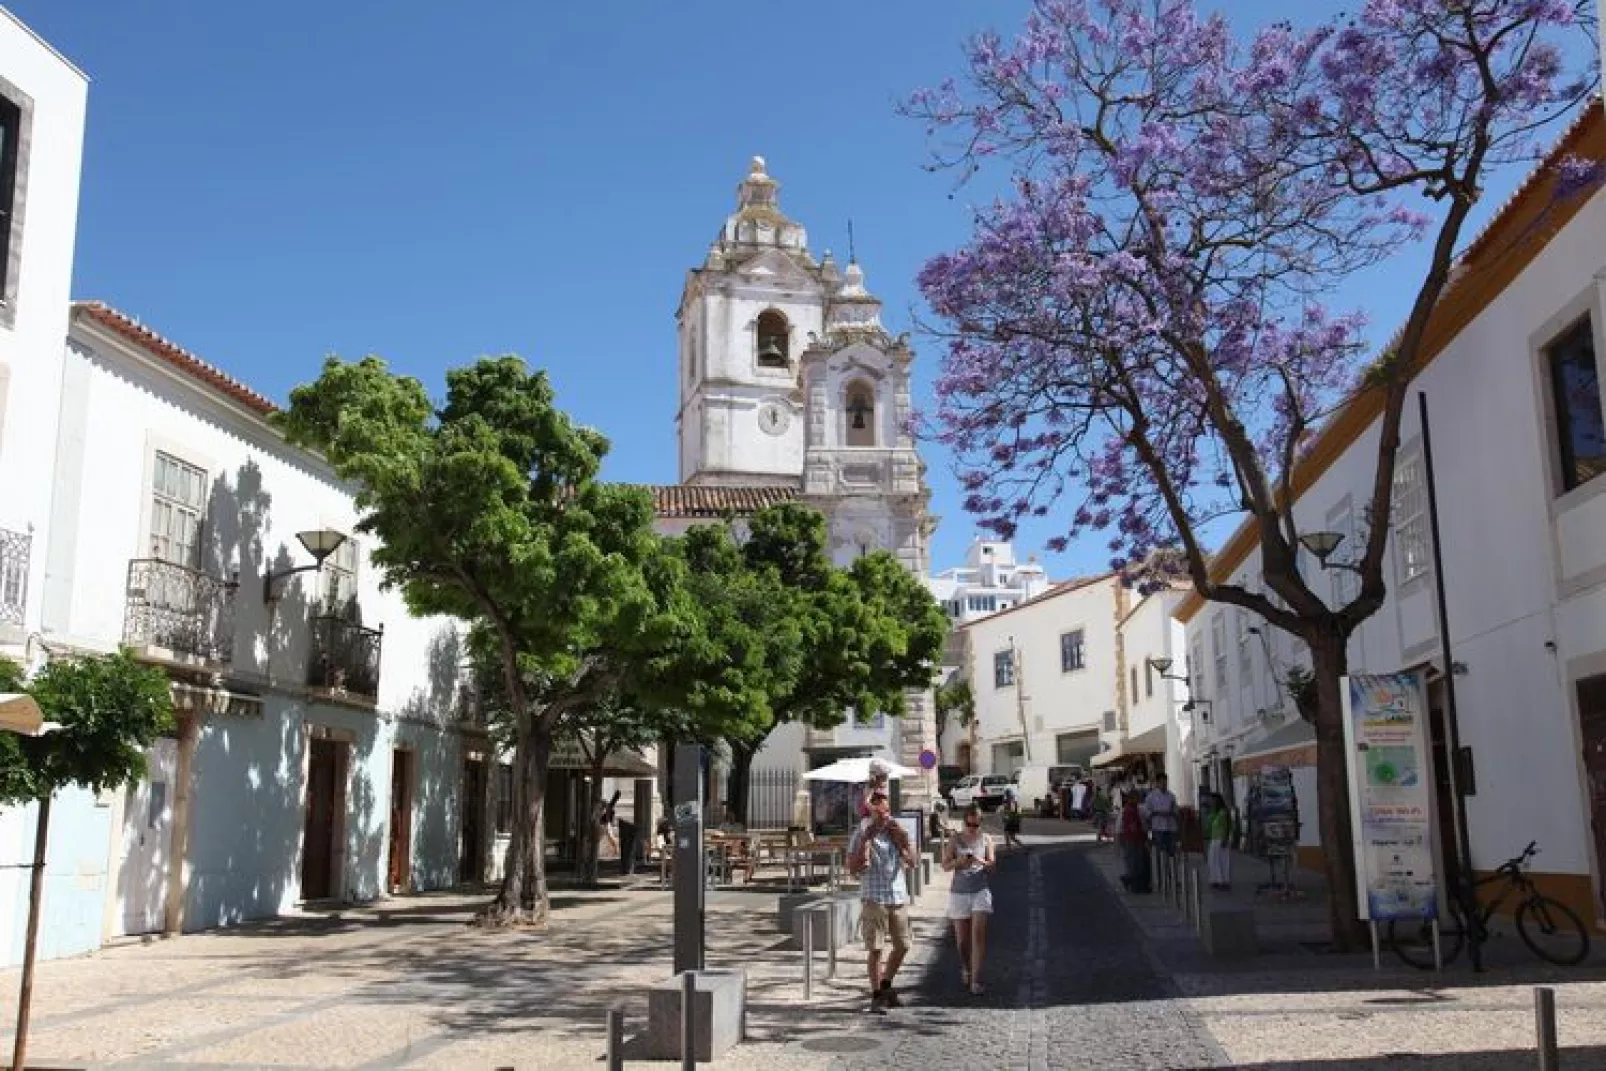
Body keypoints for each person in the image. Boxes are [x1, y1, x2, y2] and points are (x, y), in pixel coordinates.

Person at [847, 788, 917, 1013]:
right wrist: (866, 842)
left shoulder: (896, 830)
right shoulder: (861, 833)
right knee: (876, 949)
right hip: (874, 896)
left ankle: (886, 984)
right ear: (871, 812)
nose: (886, 815)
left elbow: (913, 862)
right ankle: (876, 994)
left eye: (887, 811)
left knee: (903, 945)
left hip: (897, 894)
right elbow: (853, 869)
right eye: (881, 812)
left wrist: (904, 840)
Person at [943, 803, 995, 995]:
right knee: (962, 942)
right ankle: (966, 967)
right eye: (970, 825)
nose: (973, 829)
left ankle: (976, 979)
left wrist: (979, 861)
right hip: (959, 892)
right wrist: (959, 861)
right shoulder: (955, 839)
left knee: (978, 936)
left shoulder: (987, 839)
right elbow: (945, 865)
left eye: (976, 825)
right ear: (964, 822)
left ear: (981, 822)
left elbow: (993, 867)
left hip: (980, 891)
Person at [1118, 794, 1151, 893]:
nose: (1138, 800)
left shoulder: (1131, 809)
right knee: (1136, 862)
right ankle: (1133, 883)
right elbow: (1133, 826)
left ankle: (1133, 882)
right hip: (1134, 839)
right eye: (1136, 798)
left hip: (1132, 838)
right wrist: (1140, 837)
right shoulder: (1130, 810)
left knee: (1136, 862)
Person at [1142, 774, 1179, 857]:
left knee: (1171, 852)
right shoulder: (1151, 796)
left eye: (1165, 783)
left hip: (1170, 827)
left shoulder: (1171, 796)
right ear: (1157, 783)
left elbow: (1176, 810)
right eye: (1162, 783)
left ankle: (1170, 868)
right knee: (1160, 852)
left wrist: (1171, 812)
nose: (1164, 785)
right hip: (1158, 828)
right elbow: (1146, 811)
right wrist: (1157, 813)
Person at [1206, 792, 1233, 890]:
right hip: (1213, 839)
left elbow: (1228, 825)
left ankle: (1224, 881)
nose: (1211, 802)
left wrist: (1225, 838)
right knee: (1213, 860)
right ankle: (1215, 880)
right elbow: (1209, 824)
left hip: (1221, 839)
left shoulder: (1223, 812)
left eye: (1213, 800)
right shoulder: (1214, 812)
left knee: (1223, 861)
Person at [1000, 784, 1024, 850]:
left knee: (1008, 835)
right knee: (1010, 836)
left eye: (1007, 794)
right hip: (1013, 821)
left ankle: (1010, 849)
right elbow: (1018, 812)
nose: (1006, 796)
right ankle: (1022, 847)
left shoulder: (1012, 802)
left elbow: (1013, 812)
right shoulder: (1011, 802)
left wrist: (1006, 818)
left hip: (1012, 821)